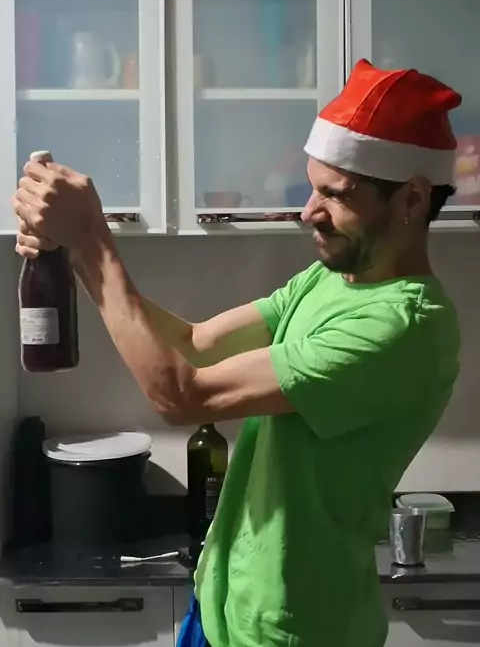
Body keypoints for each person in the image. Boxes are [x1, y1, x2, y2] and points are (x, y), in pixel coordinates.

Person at [13, 58, 462, 647]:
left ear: (412, 198)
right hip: (225, 601)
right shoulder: (333, 280)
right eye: (312, 187)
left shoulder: (401, 325)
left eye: (335, 195)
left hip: (294, 626)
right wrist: (76, 252)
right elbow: (196, 344)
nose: (308, 211)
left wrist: (93, 241)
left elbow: (183, 395)